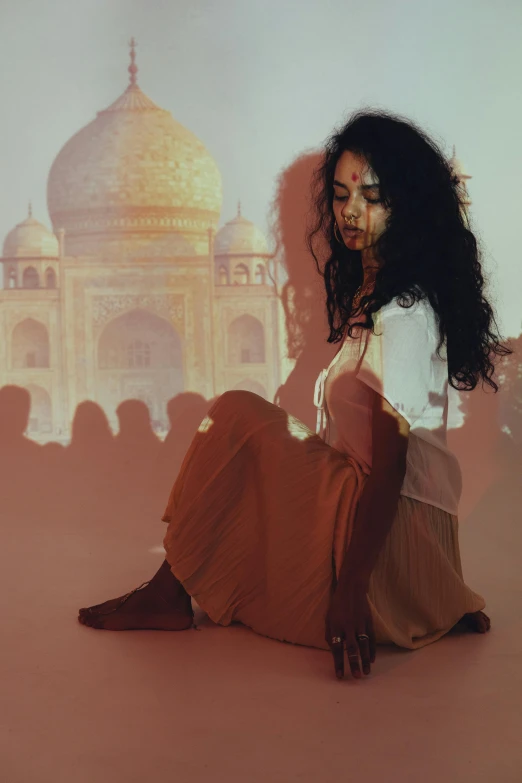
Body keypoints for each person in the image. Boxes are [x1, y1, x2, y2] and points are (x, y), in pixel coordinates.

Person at [79, 109, 510, 681]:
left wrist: (354, 590)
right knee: (252, 432)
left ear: (408, 204)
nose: (349, 211)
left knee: (235, 413)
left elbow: (393, 466)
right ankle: (172, 589)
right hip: (398, 537)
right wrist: (442, 592)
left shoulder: (401, 314)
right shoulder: (382, 297)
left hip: (380, 541)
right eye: (339, 196)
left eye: (372, 196)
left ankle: (167, 592)